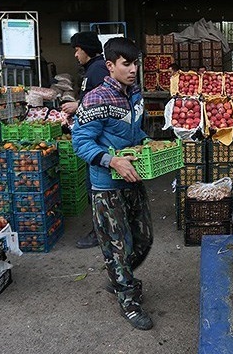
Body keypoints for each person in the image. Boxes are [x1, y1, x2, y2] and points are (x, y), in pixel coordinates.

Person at [72, 37, 154, 330]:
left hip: (132, 179)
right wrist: (111, 160)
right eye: (126, 64)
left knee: (143, 239)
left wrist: (147, 143)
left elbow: (133, 133)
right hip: (107, 185)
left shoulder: (134, 94)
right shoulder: (96, 99)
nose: (133, 69)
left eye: (135, 64)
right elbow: (80, 142)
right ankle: (129, 301)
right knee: (118, 246)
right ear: (110, 66)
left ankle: (119, 276)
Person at [63, 31, 110, 250]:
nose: (75, 55)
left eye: (77, 50)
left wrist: (78, 107)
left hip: (98, 138)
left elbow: (103, 102)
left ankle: (100, 232)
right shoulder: (92, 69)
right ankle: (101, 229)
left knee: (97, 188)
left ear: (86, 49)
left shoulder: (98, 69)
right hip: (94, 134)